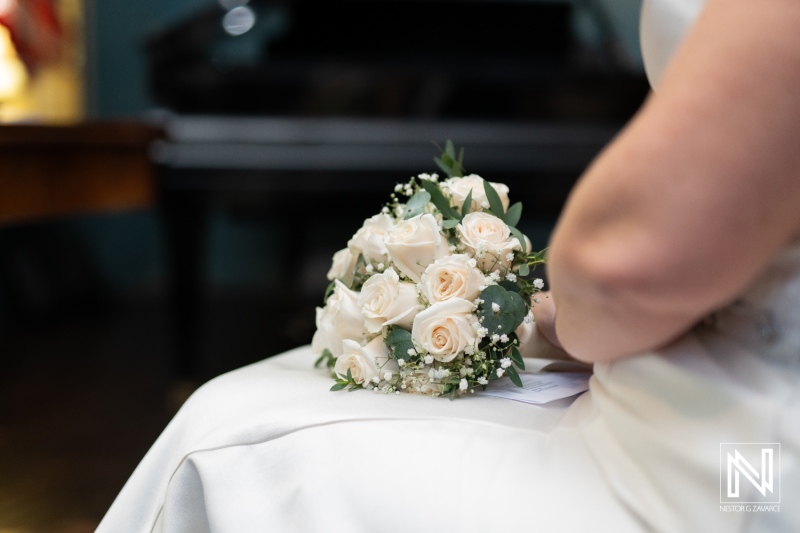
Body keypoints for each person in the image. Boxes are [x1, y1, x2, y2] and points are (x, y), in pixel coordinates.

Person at [98, 0, 800, 531]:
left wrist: (565, 309)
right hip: (712, 379)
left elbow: (624, 262)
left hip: (736, 452)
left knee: (224, 434)